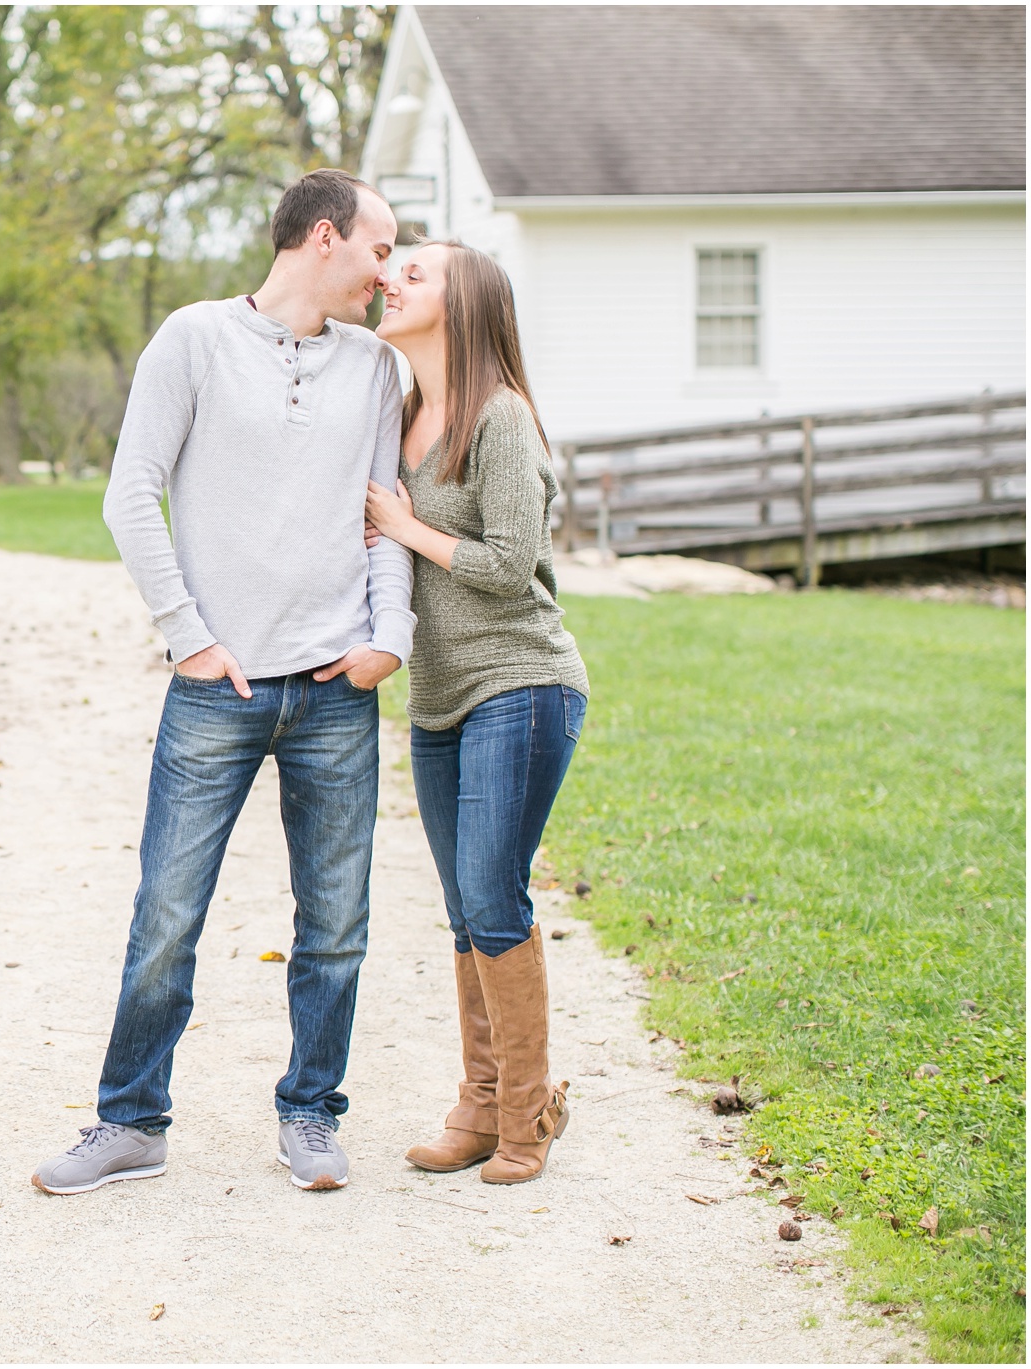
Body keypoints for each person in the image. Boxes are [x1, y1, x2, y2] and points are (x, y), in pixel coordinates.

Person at [32, 170, 413, 1196]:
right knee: (167, 911)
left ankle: (310, 1113)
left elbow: (383, 514)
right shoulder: (193, 339)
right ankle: (129, 1121)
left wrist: (391, 638)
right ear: (324, 237)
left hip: (338, 689)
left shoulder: (376, 369)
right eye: (381, 249)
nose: (387, 272)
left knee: (335, 922)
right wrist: (187, 634)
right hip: (217, 688)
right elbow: (129, 493)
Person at [362, 240, 590, 1185]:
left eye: (416, 274)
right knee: (464, 905)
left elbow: (506, 565)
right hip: (440, 696)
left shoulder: (502, 419)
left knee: (493, 893)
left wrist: (406, 525)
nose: (392, 280)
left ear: (463, 307)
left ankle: (525, 1115)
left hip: (521, 682)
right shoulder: (405, 415)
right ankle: (484, 1102)